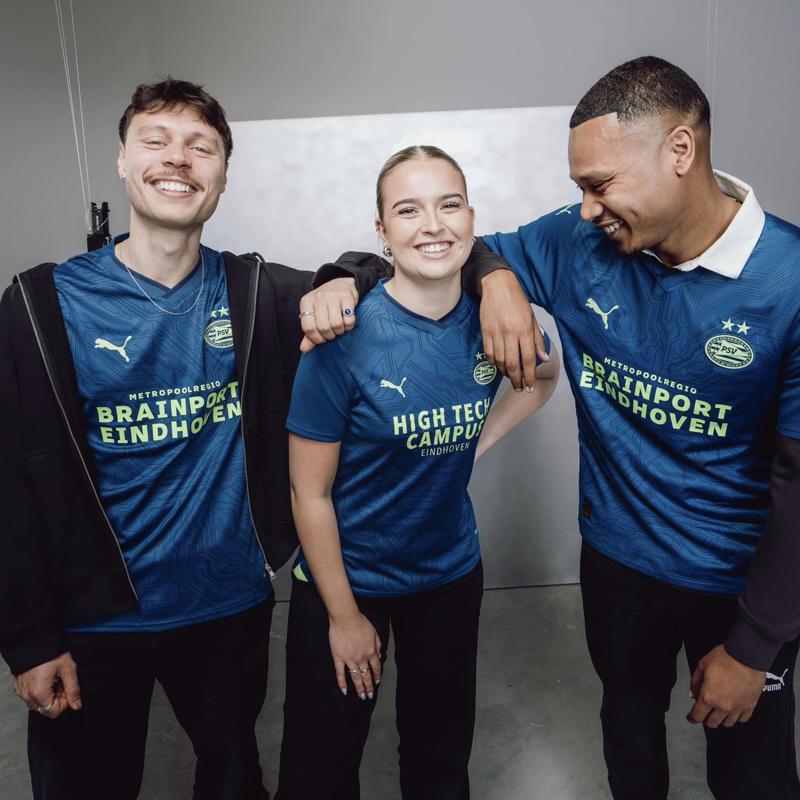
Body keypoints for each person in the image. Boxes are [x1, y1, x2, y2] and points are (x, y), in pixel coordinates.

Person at [301, 57, 800, 800]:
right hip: (617, 563)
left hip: (739, 583)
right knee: (630, 739)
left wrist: (756, 645)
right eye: (579, 189)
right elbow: (445, 250)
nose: (587, 209)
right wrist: (484, 279)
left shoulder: (790, 279)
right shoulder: (580, 239)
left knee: (753, 773)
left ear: (680, 151)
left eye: (601, 185)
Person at [0, 77, 383, 800]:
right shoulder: (38, 304)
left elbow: (378, 269)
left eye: (201, 147)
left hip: (226, 607)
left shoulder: (255, 292)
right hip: (92, 618)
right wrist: (29, 638)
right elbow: (10, 482)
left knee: (233, 778)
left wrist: (341, 280)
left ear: (223, 175)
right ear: (122, 160)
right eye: (156, 140)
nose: (178, 159)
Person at [275, 145, 558, 800]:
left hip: (447, 576)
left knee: (439, 757)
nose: (432, 225)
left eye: (448, 205)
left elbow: (543, 376)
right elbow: (308, 493)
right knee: (320, 767)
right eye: (408, 210)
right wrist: (344, 618)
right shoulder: (343, 339)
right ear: (382, 232)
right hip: (347, 580)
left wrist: (471, 446)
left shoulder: (495, 322)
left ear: (471, 219)